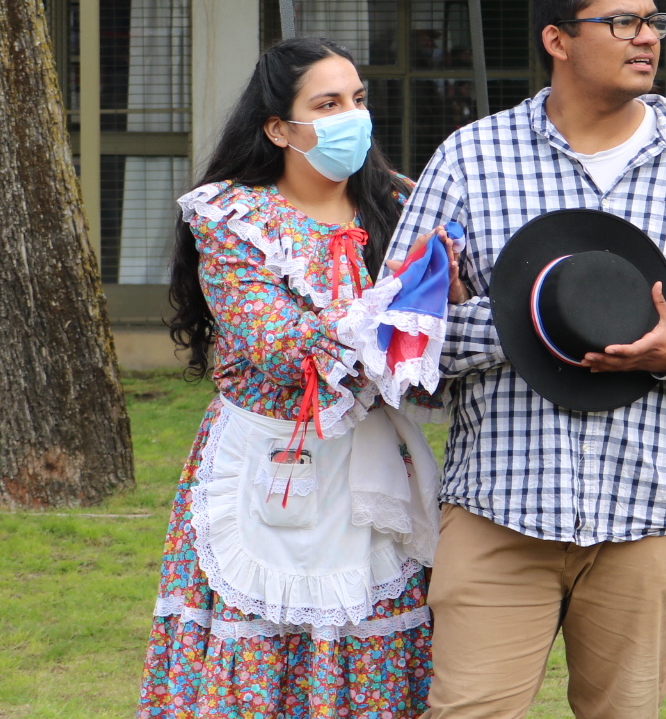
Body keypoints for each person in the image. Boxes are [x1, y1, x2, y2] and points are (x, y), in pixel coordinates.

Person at [388, 0, 666, 719]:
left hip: (655, 512)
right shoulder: (472, 160)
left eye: (653, 20)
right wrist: (526, 327)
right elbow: (398, 335)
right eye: (623, 21)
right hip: (501, 508)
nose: (648, 37)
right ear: (557, 39)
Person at [140, 37, 454, 719]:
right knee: (257, 650)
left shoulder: (400, 205)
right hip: (265, 462)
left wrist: (435, 307)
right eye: (328, 103)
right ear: (278, 128)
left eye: (359, 100)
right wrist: (405, 310)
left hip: (372, 475)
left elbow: (431, 361)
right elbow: (279, 345)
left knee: (371, 649)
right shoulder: (232, 219)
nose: (352, 117)